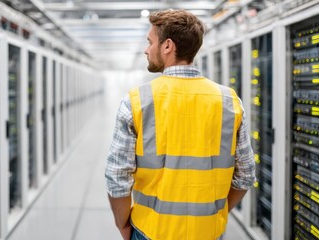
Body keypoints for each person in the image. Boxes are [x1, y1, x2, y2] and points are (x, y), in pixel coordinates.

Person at [105, 9, 256, 240]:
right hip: (209, 232)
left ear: (167, 46)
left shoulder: (136, 101)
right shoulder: (230, 101)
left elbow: (117, 179)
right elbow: (245, 175)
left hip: (151, 232)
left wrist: (124, 226)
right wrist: (217, 214)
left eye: (150, 42)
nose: (146, 49)